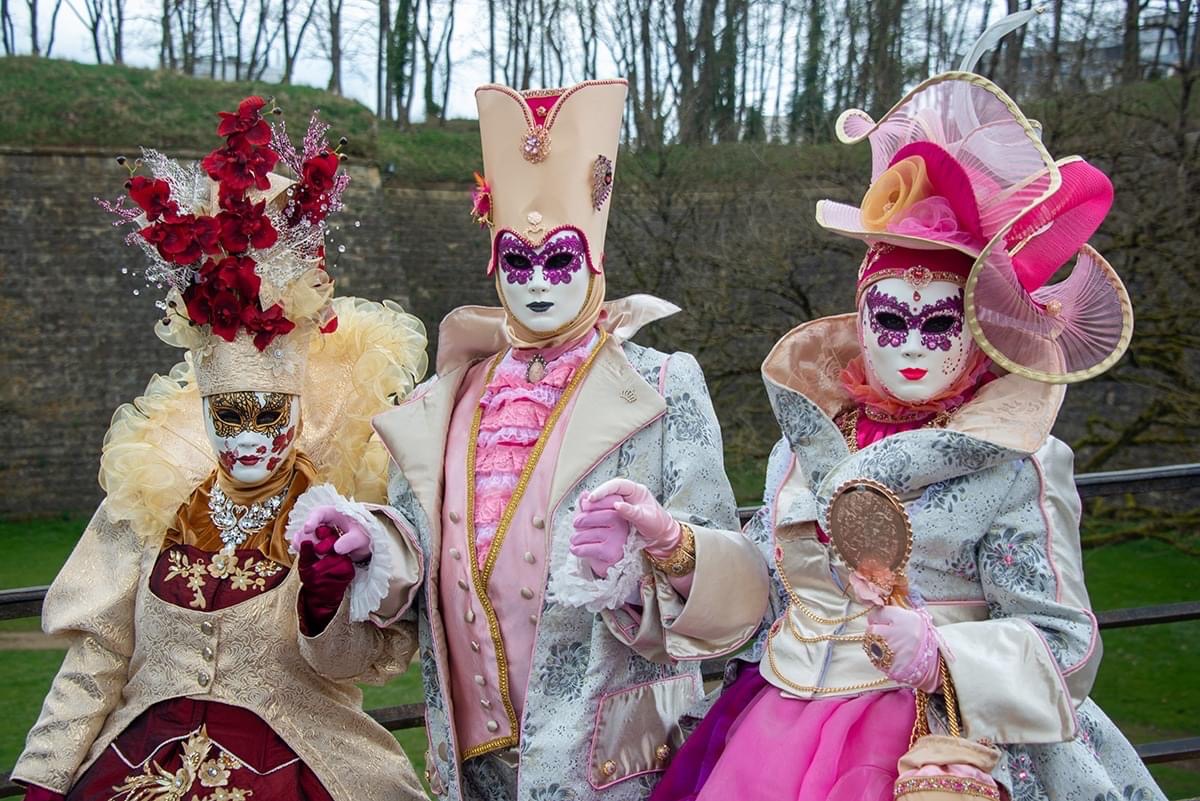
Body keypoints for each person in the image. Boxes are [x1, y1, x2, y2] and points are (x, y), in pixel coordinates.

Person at [650, 70, 1165, 801]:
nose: (912, 343)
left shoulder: (1021, 460)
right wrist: (678, 549)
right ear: (861, 322)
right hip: (778, 729)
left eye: (940, 321)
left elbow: (1069, 651)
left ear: (979, 326)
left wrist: (945, 654)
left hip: (950, 746)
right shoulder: (805, 444)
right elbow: (768, 601)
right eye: (891, 319)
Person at [12, 97, 430, 801]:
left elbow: (356, 664)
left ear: (297, 411)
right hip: (137, 762)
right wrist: (47, 774)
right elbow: (101, 654)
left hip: (303, 761)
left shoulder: (336, 509)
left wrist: (325, 606)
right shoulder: (153, 502)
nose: (249, 436)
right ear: (202, 413)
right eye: (229, 415)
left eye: (270, 414)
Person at [367, 78, 769, 800]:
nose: (538, 282)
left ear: (593, 261)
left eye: (559, 260)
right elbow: (412, 570)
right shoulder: (443, 400)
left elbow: (739, 594)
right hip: (473, 770)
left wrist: (667, 546)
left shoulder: (662, 383)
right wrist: (362, 554)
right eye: (519, 262)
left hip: (616, 765)